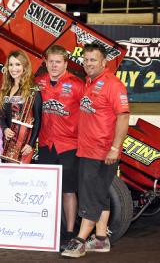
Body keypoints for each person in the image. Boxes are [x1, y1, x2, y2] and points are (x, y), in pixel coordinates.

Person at [61, 44, 130, 258]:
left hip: (101, 152)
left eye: (93, 60)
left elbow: (124, 116)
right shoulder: (90, 83)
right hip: (87, 149)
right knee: (100, 194)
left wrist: (115, 148)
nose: (88, 63)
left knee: (90, 196)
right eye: (86, 59)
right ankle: (100, 240)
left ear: (104, 62)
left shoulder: (113, 84)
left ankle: (80, 241)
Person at [35, 45, 84, 249]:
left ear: (65, 63)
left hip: (69, 145)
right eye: (51, 62)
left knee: (69, 190)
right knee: (47, 190)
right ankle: (47, 229)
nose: (54, 65)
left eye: (58, 62)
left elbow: (90, 114)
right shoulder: (39, 83)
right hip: (46, 143)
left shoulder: (77, 84)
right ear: (45, 62)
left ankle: (70, 232)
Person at [0, 50, 42, 164]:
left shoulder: (33, 90)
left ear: (25, 67)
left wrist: (31, 144)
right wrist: (5, 128)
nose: (13, 68)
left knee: (20, 180)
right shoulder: (5, 89)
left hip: (24, 145)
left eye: (18, 64)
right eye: (11, 64)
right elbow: (1, 115)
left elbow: (37, 120)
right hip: (6, 143)